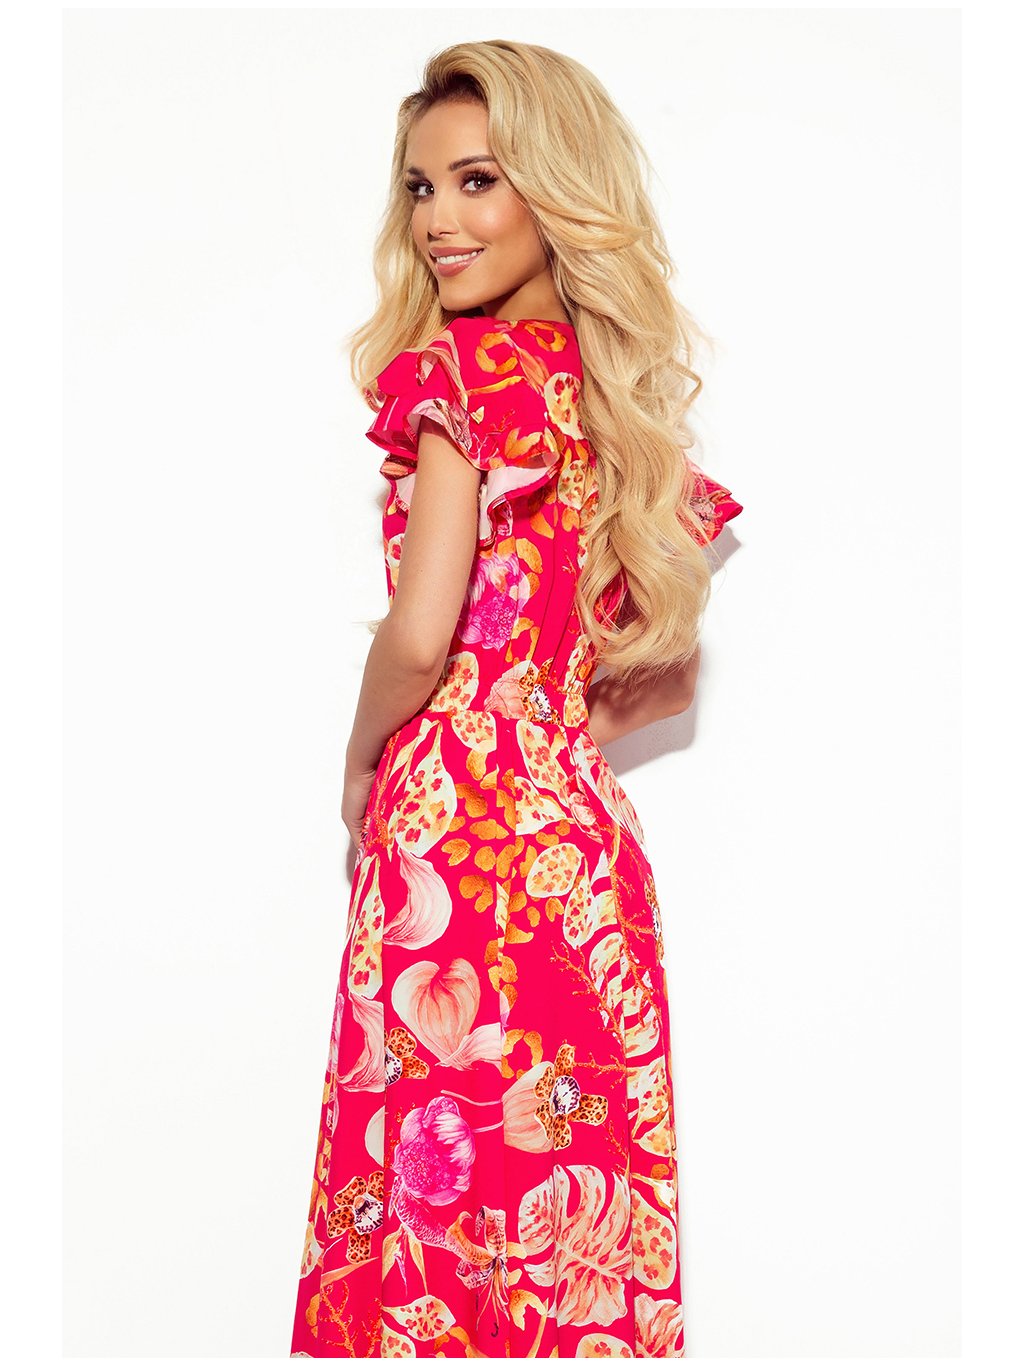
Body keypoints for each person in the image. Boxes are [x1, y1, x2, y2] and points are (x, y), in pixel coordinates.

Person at [290, 39, 742, 1360]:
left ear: (556, 187)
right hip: (578, 860)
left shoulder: (459, 377)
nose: (440, 219)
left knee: (430, 1199)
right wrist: (540, 737)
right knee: (563, 1201)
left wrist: (365, 758)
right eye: (421, 188)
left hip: (450, 848)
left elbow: (420, 632)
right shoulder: (619, 418)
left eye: (477, 180)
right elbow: (667, 671)